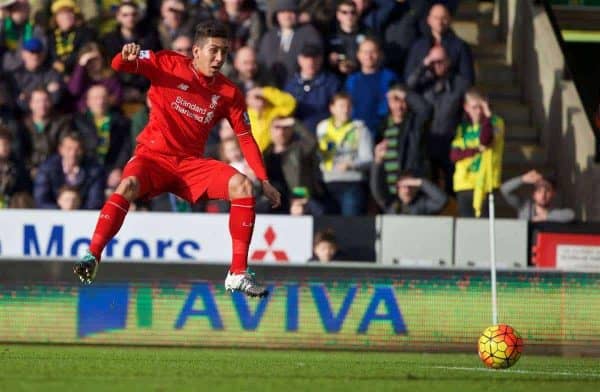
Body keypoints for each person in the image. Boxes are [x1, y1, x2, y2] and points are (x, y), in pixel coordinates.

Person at [73, 20, 281, 298]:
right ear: (195, 51)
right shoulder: (167, 63)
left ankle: (238, 273)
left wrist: (264, 180)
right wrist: (125, 57)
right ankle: (92, 255)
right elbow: (118, 66)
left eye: (224, 52)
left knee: (242, 185)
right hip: (153, 157)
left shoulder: (229, 92)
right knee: (127, 185)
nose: (219, 58)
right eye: (213, 51)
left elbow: (245, 137)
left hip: (191, 165)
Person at [407, 45, 469, 194]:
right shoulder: (423, 82)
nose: (438, 65)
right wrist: (423, 65)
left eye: (441, 61)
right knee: (429, 184)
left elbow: (466, 111)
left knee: (451, 182)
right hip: (426, 139)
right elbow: (408, 87)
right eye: (434, 62)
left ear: (449, 61)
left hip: (450, 139)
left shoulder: (460, 84)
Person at [370, 85, 431, 210]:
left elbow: (426, 109)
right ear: (389, 102)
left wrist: (404, 94)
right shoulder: (383, 126)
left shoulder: (414, 125)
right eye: (395, 100)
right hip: (388, 189)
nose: (399, 106)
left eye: (403, 101)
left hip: (410, 189)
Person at [316, 93, 373, 216]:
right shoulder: (322, 128)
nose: (346, 110)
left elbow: (368, 159)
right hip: (327, 183)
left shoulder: (360, 129)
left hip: (351, 183)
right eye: (341, 106)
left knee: (349, 225)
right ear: (332, 108)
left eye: (349, 106)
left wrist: (351, 165)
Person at [450, 89, 504, 217]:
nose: (478, 111)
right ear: (466, 107)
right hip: (464, 183)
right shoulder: (462, 129)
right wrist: (475, 150)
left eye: (481, 107)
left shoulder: (496, 122)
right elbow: (454, 155)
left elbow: (485, 139)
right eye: (474, 107)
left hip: (486, 183)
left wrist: (488, 116)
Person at [404, 3, 474, 85]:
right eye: (436, 18)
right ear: (429, 20)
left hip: (450, 94)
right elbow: (408, 77)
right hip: (421, 92)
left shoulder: (460, 46)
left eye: (443, 18)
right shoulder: (418, 46)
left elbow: (468, 79)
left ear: (450, 20)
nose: (439, 22)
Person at [33, 130, 105, 209]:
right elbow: (41, 200)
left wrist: (75, 209)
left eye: (77, 149)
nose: (73, 154)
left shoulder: (94, 170)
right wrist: (61, 210)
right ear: (61, 149)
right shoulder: (47, 168)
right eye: (69, 149)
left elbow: (95, 201)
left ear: (83, 151)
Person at [344, 37, 398, 138]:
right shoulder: (352, 80)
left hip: (383, 132)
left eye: (373, 52)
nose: (368, 56)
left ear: (380, 55)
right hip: (356, 133)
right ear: (358, 55)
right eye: (365, 52)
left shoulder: (389, 77)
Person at [284, 43, 341, 133]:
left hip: (324, 134)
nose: (311, 62)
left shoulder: (331, 83)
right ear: (299, 59)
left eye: (315, 58)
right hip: (296, 137)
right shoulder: (290, 84)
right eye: (306, 58)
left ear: (321, 59)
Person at [500, 170, 575, 222]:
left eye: (547, 191)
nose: (543, 195)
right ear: (534, 194)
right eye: (539, 191)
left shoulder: (553, 212)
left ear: (553, 194)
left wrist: (545, 217)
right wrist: (522, 179)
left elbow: (570, 215)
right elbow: (505, 190)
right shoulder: (523, 206)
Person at [377, 173, 447, 215]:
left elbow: (442, 200)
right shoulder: (390, 204)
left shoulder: (422, 204)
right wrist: (378, 162)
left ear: (416, 189)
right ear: (398, 188)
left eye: (411, 186)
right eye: (404, 186)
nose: (407, 190)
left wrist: (420, 182)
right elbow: (377, 189)